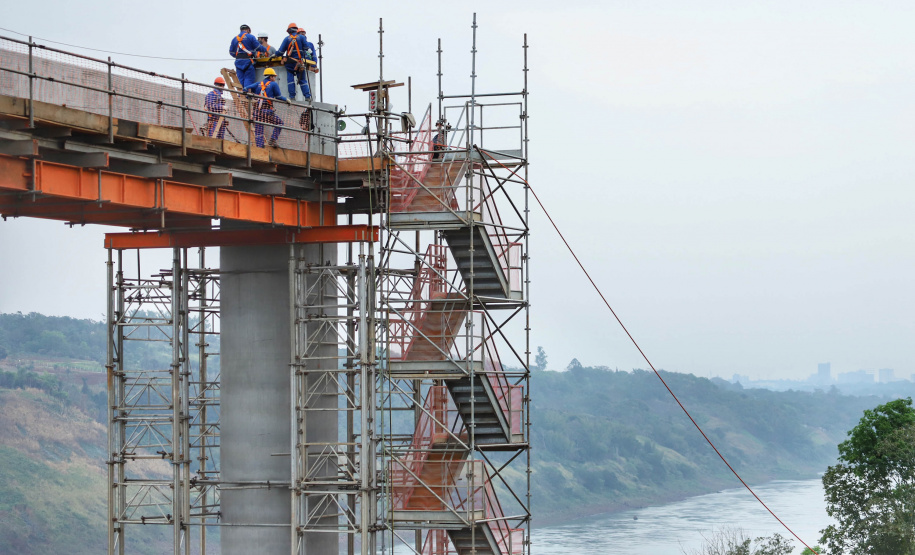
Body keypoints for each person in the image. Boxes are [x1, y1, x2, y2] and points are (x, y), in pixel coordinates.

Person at [244, 68, 287, 148]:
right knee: (280, 123)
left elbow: (245, 88)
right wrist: (286, 100)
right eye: (274, 77)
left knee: (259, 131)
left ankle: (259, 148)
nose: (274, 79)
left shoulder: (258, 84)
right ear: (270, 77)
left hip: (257, 112)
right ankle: (273, 140)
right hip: (267, 111)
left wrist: (248, 96)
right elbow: (278, 97)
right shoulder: (274, 84)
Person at [277, 23, 312, 101]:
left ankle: (292, 97)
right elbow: (307, 48)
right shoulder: (302, 38)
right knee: (302, 80)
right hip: (299, 63)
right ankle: (307, 97)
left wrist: (275, 54)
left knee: (290, 80)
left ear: (289, 30)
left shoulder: (287, 39)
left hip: (290, 63)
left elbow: (280, 52)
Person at [229, 24, 266, 88]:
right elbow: (258, 47)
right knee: (248, 79)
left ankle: (241, 95)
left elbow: (231, 52)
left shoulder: (234, 39)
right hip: (248, 61)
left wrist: (239, 55)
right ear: (248, 30)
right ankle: (246, 95)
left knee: (240, 80)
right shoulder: (251, 37)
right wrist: (265, 50)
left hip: (238, 62)